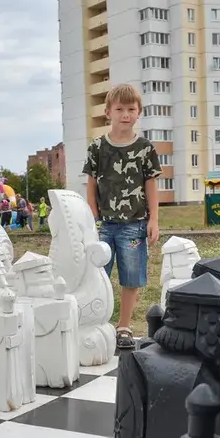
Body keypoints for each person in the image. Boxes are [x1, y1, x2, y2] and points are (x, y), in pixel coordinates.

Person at [83, 83, 161, 349]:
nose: (125, 114)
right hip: (104, 224)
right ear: (108, 112)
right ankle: (97, 321)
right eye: (119, 109)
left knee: (131, 276)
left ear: (138, 113)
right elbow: (91, 184)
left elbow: (151, 184)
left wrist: (154, 220)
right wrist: (90, 216)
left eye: (131, 109)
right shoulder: (97, 148)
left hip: (134, 224)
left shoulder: (145, 148)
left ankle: (124, 326)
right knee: (97, 275)